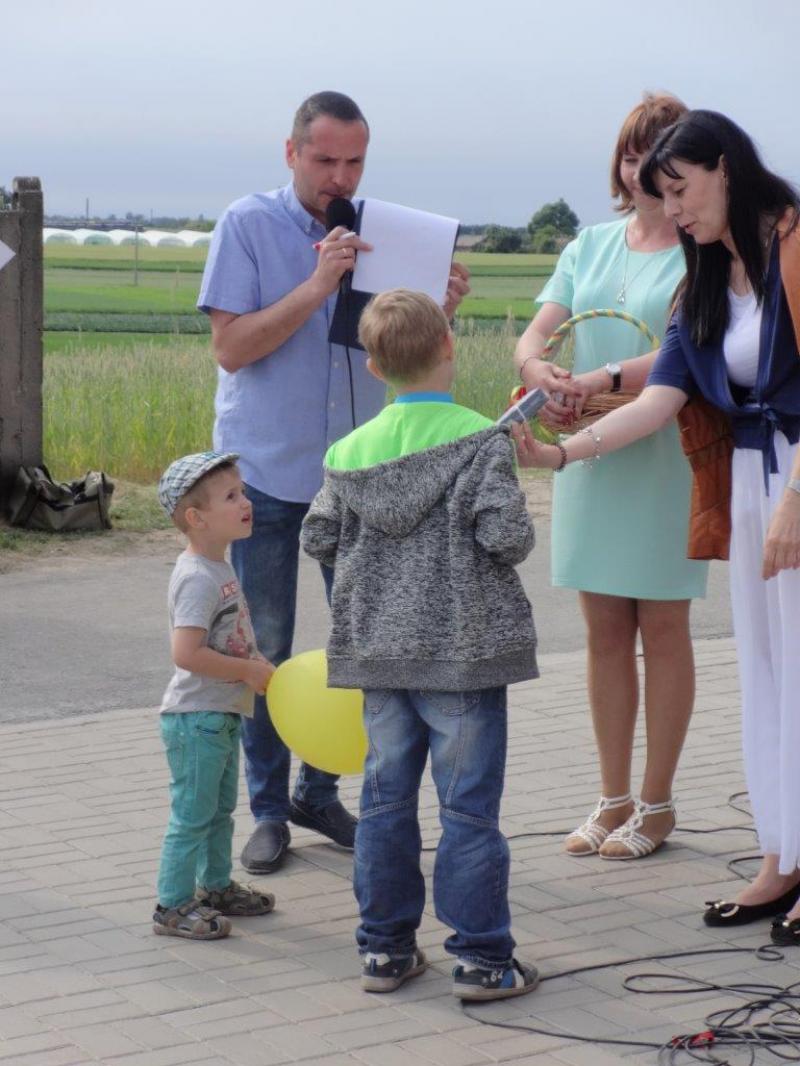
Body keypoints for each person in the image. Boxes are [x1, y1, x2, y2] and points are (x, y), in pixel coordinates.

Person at [515, 110, 800, 938]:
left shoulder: (791, 246)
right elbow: (660, 399)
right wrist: (560, 457)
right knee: (769, 675)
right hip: (749, 483)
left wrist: (796, 498)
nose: (670, 208)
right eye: (660, 195)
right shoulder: (706, 274)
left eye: (680, 189)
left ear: (725, 167)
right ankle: (779, 860)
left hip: (794, 483)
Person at [197, 91, 470, 875]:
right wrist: (319, 288)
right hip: (268, 478)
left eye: (354, 161)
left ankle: (322, 791)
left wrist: (435, 308)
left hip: (358, 474)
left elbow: (407, 352)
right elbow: (231, 348)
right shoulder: (247, 225)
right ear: (291, 154)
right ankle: (269, 808)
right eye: (325, 161)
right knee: (268, 647)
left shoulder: (386, 232)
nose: (339, 177)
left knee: (360, 644)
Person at [301, 290, 540, 1000]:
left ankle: (384, 950)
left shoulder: (347, 452)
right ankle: (484, 959)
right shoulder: (480, 438)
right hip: (464, 655)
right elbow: (507, 538)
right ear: (449, 346)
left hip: (379, 654)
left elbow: (317, 537)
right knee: (467, 811)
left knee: (383, 801)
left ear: (373, 367)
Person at [513, 93, 709, 860]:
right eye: (632, 154)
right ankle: (611, 796)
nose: (643, 170)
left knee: (662, 628)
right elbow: (535, 337)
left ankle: (657, 805)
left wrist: (588, 383)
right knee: (601, 634)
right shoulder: (587, 244)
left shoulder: (704, 251)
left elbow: (676, 360)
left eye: (660, 156)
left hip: (664, 456)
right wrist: (545, 378)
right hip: (587, 452)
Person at [152, 452, 276, 940]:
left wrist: (255, 665)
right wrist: (247, 670)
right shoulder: (197, 577)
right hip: (195, 718)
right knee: (192, 816)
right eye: (232, 497)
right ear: (195, 518)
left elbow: (231, 636)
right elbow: (187, 653)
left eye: (242, 492)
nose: (245, 502)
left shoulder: (218, 566)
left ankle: (216, 887)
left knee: (219, 811)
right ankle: (172, 905)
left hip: (219, 715)